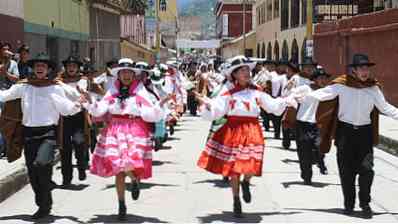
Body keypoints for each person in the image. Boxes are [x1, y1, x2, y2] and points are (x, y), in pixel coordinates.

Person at [196, 56, 296, 218]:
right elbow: (217, 110)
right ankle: (236, 199)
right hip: (233, 129)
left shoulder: (257, 90)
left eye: (248, 70)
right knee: (235, 168)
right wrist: (207, 104)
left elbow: (272, 106)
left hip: (253, 130)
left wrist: (287, 101)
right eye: (242, 70)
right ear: (234, 74)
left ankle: (246, 182)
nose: (247, 72)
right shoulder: (228, 92)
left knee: (252, 161)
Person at [306, 54, 398, 219]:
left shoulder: (373, 88)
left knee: (367, 170)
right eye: (361, 68)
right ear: (354, 70)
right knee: (346, 172)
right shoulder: (342, 85)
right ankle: (349, 203)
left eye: (367, 68)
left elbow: (385, 108)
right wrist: (298, 97)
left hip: (364, 133)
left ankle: (365, 203)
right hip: (345, 133)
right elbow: (322, 94)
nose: (365, 71)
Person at [80, 58, 166, 221]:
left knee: (129, 163)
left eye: (129, 72)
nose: (126, 75)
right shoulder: (112, 91)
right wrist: (91, 102)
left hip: (135, 129)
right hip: (115, 130)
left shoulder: (140, 91)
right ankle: (122, 204)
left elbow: (148, 113)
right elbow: (100, 110)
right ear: (118, 75)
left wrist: (159, 107)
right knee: (118, 169)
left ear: (134, 75)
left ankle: (133, 180)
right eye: (123, 72)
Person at [0, 52, 81, 219]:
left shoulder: (55, 87)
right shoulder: (24, 86)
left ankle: (45, 204)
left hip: (48, 134)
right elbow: (4, 96)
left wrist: (79, 104)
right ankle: (43, 203)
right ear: (33, 69)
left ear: (48, 69)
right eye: (37, 66)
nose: (39, 68)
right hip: (28, 134)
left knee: (41, 164)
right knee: (33, 173)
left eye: (43, 66)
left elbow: (66, 109)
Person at [288, 67, 330, 185]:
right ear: (315, 79)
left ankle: (320, 162)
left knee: (319, 147)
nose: (323, 80)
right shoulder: (306, 88)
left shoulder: (328, 91)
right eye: (320, 78)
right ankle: (307, 176)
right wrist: (294, 101)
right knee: (304, 153)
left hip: (318, 125)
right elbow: (292, 93)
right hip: (303, 124)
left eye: (325, 78)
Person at [57, 56, 90, 186]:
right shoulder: (58, 80)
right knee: (64, 148)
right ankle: (66, 177)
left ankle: (81, 167)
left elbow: (80, 92)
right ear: (66, 68)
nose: (71, 68)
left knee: (79, 142)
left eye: (74, 66)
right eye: (69, 66)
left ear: (78, 68)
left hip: (78, 117)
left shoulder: (83, 80)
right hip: (64, 118)